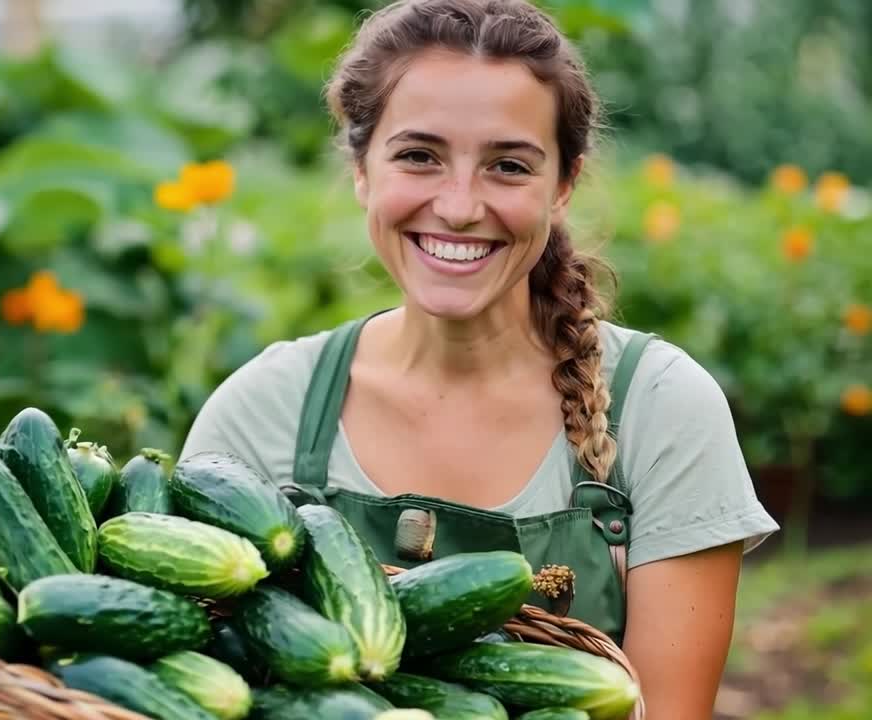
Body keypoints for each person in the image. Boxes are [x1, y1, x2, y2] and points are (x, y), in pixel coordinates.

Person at [179, 0, 780, 716]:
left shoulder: (662, 409)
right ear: (361, 169)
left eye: (508, 166)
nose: (460, 206)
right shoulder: (265, 411)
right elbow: (190, 675)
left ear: (563, 186)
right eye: (419, 156)